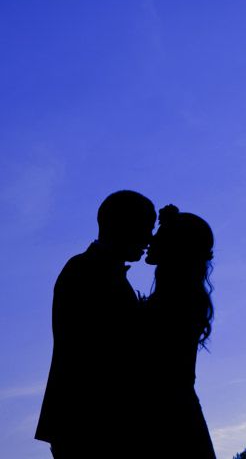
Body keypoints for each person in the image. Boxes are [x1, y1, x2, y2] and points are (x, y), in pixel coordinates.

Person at [35, 190, 156, 459]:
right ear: (123, 225)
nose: (149, 239)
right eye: (145, 228)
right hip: (89, 422)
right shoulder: (84, 271)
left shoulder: (95, 270)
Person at [141, 204, 216, 458]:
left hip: (166, 416)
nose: (152, 239)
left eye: (161, 234)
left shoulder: (173, 302)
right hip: (178, 413)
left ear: (176, 247)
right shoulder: (185, 298)